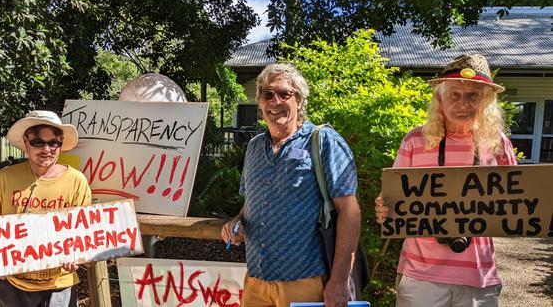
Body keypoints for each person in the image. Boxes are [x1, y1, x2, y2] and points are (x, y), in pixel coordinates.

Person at [375, 54, 518, 307]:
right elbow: (394, 197)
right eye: (455, 95)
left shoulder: (497, 144)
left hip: (478, 275)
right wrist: (385, 208)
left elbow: (514, 203)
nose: (463, 103)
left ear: (485, 100)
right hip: (421, 277)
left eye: (472, 95)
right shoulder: (414, 141)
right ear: (440, 99)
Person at [221, 63, 361, 307]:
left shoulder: (323, 141)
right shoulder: (254, 147)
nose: (275, 101)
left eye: (284, 94)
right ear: (260, 102)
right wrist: (236, 221)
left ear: (299, 100)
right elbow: (251, 202)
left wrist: (339, 280)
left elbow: (350, 211)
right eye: (267, 94)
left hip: (304, 282)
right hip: (256, 280)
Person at [0, 110, 91, 306]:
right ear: (26, 142)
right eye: (38, 142)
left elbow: (84, 232)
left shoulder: (77, 181)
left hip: (60, 286)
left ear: (60, 144)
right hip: (11, 284)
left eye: (53, 143)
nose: (46, 149)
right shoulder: (4, 178)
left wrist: (78, 254)